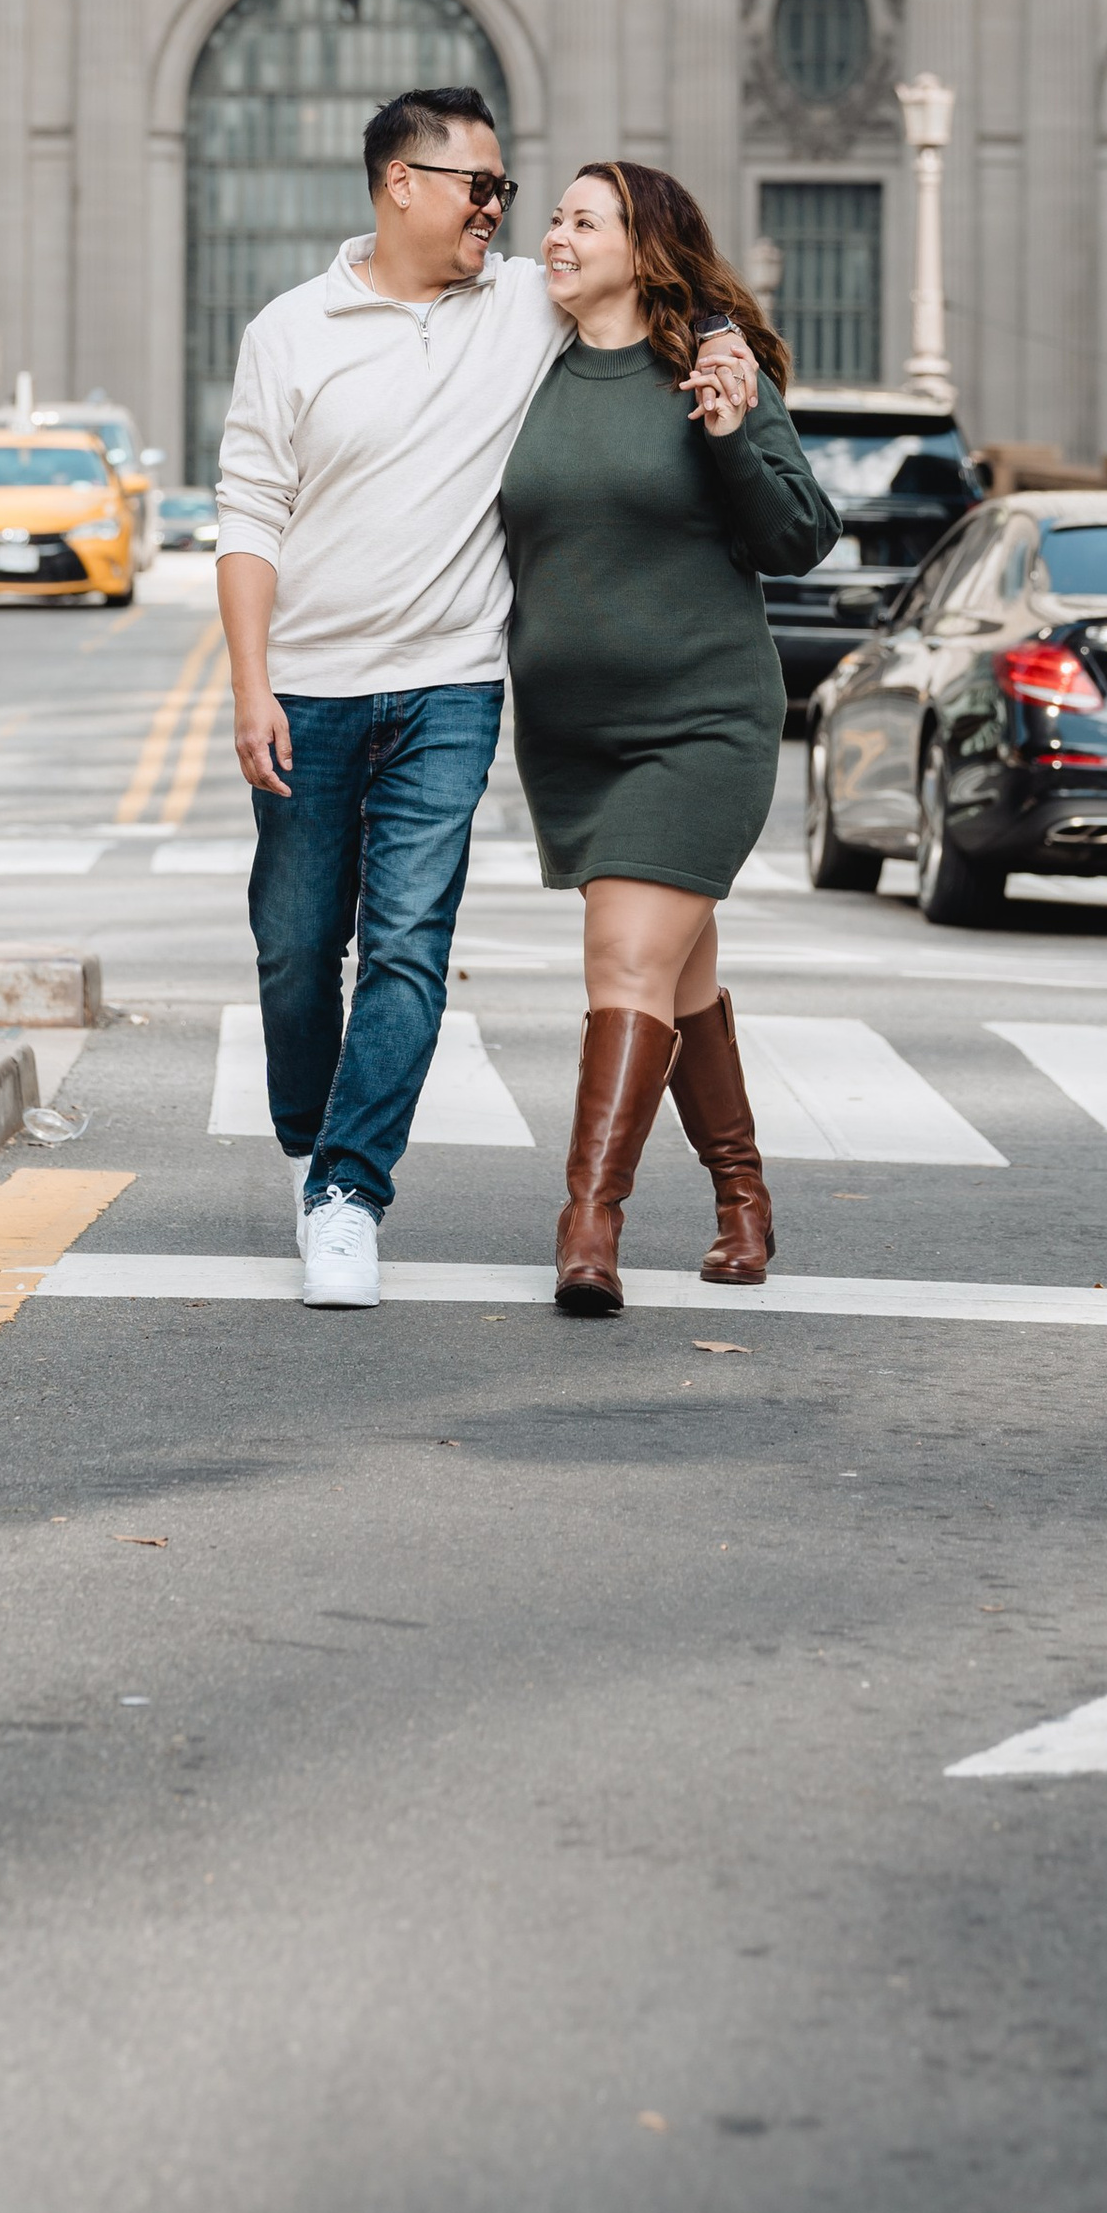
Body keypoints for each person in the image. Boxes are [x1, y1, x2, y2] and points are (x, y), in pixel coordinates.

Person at [217, 89, 758, 1309]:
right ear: (399, 183)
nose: (501, 213)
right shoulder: (289, 331)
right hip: (309, 684)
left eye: (507, 193)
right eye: (480, 187)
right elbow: (248, 512)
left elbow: (648, 268)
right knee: (297, 948)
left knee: (408, 945)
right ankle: (318, 1124)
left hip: (451, 686)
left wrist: (723, 336)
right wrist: (251, 683)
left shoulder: (521, 303)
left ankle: (349, 1189)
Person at [500, 162, 839, 1317]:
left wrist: (738, 430)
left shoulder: (710, 361)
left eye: (581, 220)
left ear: (643, 251)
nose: (553, 233)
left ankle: (588, 1219)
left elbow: (800, 536)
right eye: (553, 216)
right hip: (572, 736)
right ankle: (742, 1200)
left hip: (698, 722)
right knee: (676, 970)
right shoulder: (525, 370)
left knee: (624, 957)